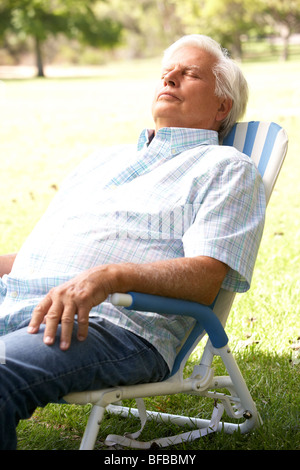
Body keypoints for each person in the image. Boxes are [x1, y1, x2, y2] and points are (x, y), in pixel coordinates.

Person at [0, 34, 265, 450]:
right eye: (166, 72)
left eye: (189, 73)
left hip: (112, 322)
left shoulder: (226, 168)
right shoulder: (103, 160)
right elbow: (48, 255)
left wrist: (110, 277)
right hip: (21, 298)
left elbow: (205, 278)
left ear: (222, 107)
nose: (170, 78)